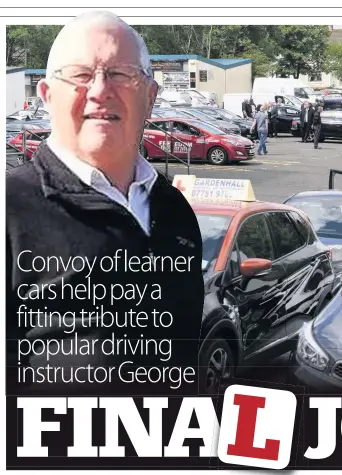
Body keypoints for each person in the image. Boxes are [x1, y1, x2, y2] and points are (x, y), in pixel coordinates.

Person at [6, 11, 203, 396]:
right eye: (80, 75)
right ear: (46, 95)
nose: (99, 90)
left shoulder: (174, 210)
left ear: (150, 96)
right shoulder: (10, 209)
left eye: (120, 74)